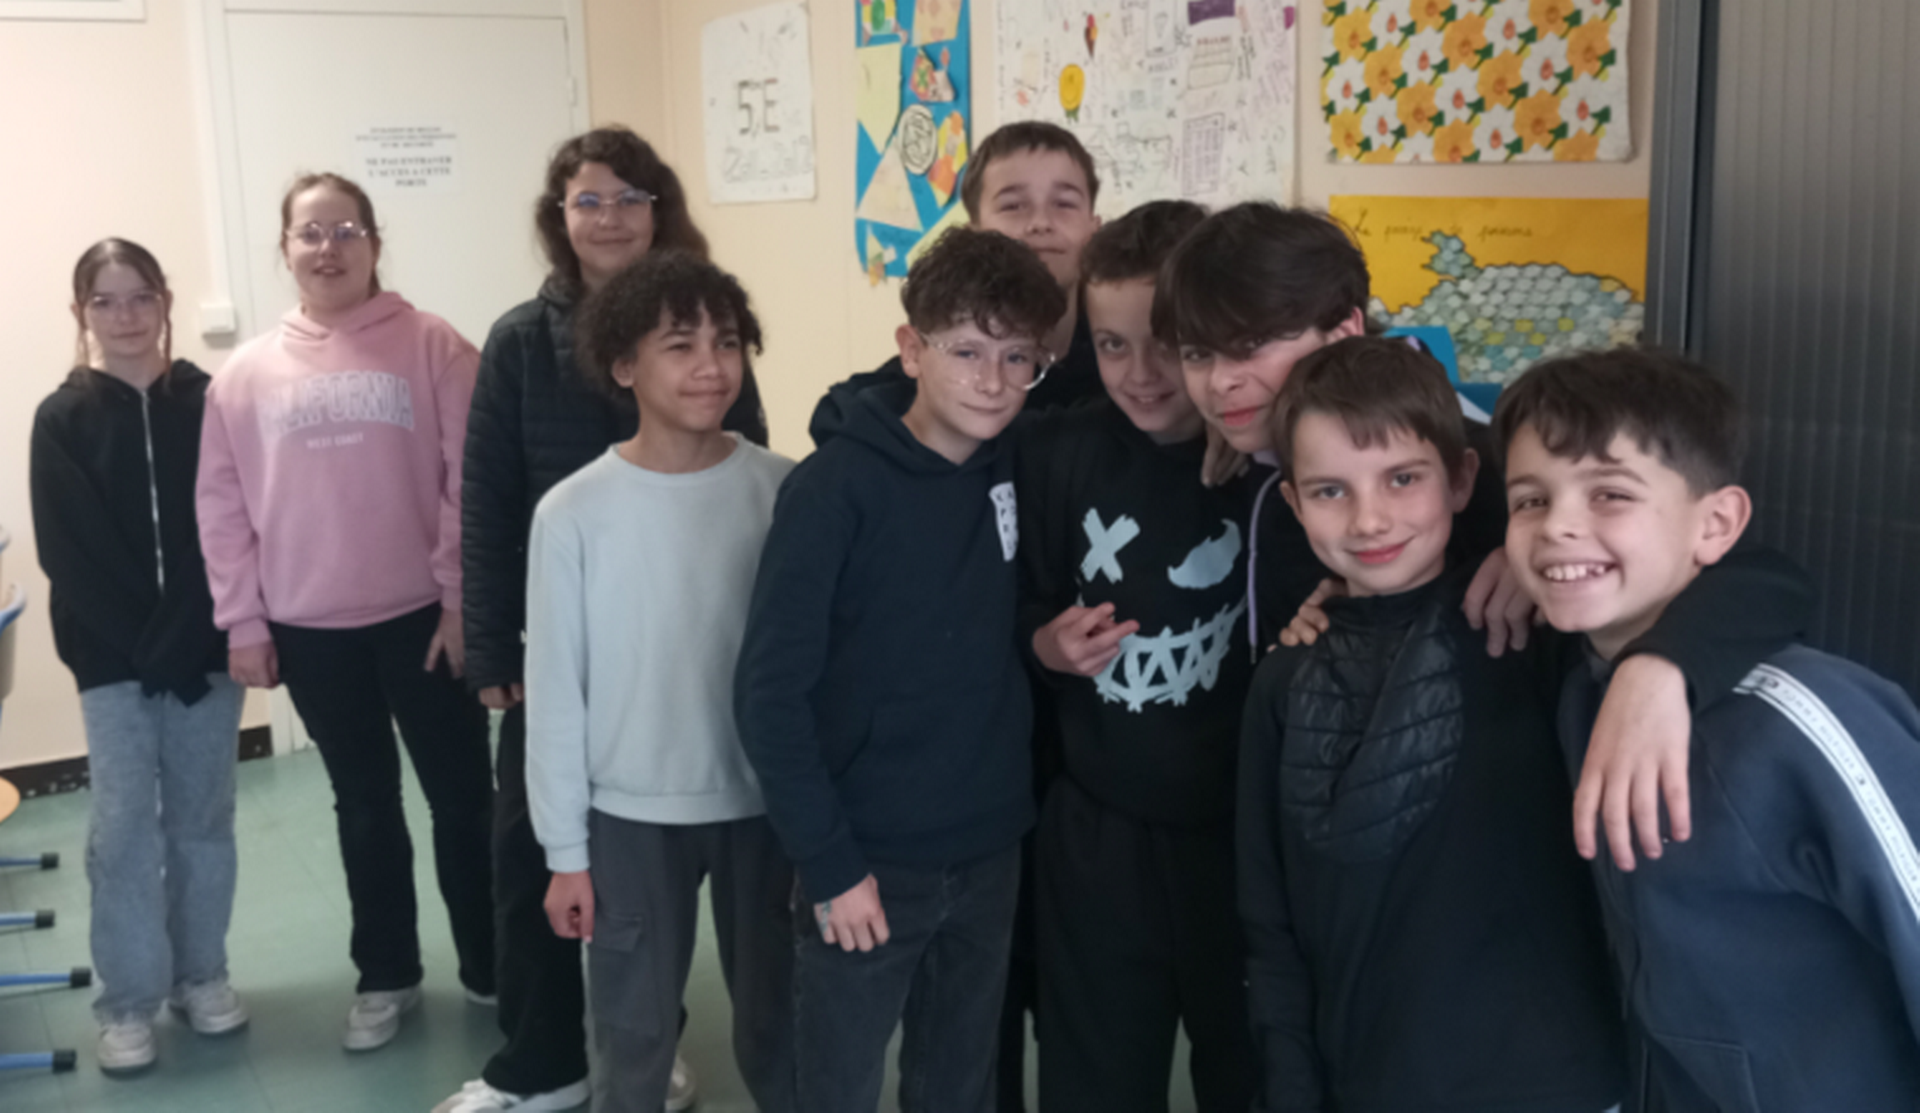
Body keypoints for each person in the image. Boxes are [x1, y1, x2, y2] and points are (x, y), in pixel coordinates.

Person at [1236, 337, 1813, 1111]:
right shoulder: (1282, 678)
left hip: (1558, 1083)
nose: (1369, 518)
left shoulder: (1535, 631)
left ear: (1461, 479)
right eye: (1330, 490)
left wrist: (1658, 666)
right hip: (1364, 1084)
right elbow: (1269, 928)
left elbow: (1770, 580)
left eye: (1403, 478)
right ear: (1294, 503)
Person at [1160, 202, 1705, 870]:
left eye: (1251, 347)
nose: (1221, 382)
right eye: (1198, 353)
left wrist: (1659, 662)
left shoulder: (1479, 468)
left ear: (1344, 331)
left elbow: (1739, 570)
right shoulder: (1255, 450)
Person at [1496, 348, 1920, 1111]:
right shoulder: (1580, 694)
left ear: (1716, 523)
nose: (1557, 525)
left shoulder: (1804, 719)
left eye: (1610, 493)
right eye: (1530, 499)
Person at [445, 124, 761, 1113]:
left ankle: (651, 1048)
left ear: (659, 212)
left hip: (684, 660)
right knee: (536, 858)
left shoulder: (708, 324)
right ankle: (542, 1063)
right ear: (561, 218)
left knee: (663, 908)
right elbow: (487, 501)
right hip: (558, 642)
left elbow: (750, 476)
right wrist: (493, 645)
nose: (611, 217)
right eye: (590, 199)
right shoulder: (518, 341)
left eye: (631, 198)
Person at [735, 227, 1065, 1113]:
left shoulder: (1009, 461)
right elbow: (768, 697)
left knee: (957, 1082)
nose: (993, 380)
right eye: (966, 351)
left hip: (990, 847)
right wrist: (830, 864)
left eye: (1017, 358)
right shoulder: (831, 492)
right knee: (835, 1087)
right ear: (911, 349)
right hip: (867, 859)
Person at [196, 172, 494, 1052]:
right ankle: (387, 974)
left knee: (462, 800)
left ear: (374, 242)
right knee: (363, 805)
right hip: (310, 629)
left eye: (346, 230)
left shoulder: (434, 345)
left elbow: (470, 481)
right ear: (284, 249)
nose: (328, 248)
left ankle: (492, 964)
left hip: (425, 620)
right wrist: (244, 621)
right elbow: (222, 508)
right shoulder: (242, 377)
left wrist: (460, 600)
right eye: (310, 232)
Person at [525, 251, 795, 1113]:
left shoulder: (783, 489)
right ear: (623, 364)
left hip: (765, 806)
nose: (711, 366)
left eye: (727, 342)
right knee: (634, 1034)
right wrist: (565, 855)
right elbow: (555, 695)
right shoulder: (573, 512)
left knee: (779, 1026)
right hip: (629, 816)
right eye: (680, 345)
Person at [1016, 200, 1258, 1111]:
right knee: (1096, 1075)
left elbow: (1438, 442)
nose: (1142, 373)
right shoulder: (1057, 450)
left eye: (1168, 344)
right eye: (1112, 345)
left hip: (1240, 836)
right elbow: (1010, 596)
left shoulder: (1276, 457)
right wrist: (1041, 641)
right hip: (1099, 835)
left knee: (1251, 1068)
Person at [29, 239, 247, 1073]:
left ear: (165, 301)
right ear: (80, 312)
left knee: (202, 819)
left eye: (140, 297)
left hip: (204, 652)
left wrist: (187, 636)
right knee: (121, 829)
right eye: (104, 301)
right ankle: (126, 1003)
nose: (125, 316)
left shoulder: (209, 400)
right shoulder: (61, 418)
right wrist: (149, 646)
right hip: (113, 661)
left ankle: (202, 975)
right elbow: (71, 551)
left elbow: (226, 526)